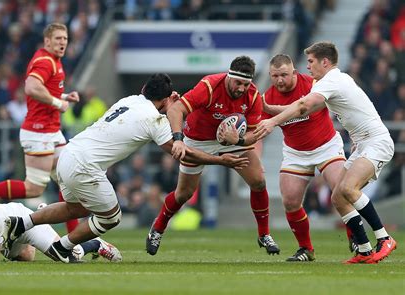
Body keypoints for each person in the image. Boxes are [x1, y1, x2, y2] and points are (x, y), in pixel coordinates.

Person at [2, 73, 249, 263]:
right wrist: (221, 160)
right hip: (84, 165)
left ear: (144, 90)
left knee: (74, 208)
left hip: (69, 153)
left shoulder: (130, 100)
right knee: (111, 217)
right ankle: (62, 247)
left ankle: (21, 223)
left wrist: (168, 106)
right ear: (164, 100)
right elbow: (180, 152)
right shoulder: (155, 119)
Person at [255, 41, 397, 264]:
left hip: (376, 142)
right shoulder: (333, 80)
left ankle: (384, 237)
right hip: (361, 144)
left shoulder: (329, 81)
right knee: (338, 197)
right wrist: (268, 112)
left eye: (311, 61)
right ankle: (364, 249)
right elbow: (300, 107)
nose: (308, 67)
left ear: (325, 62)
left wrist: (272, 120)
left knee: (348, 189)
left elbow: (302, 106)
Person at [146, 56, 280, 256]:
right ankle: (157, 228)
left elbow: (253, 135)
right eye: (238, 83)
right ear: (229, 76)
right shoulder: (209, 86)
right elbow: (176, 109)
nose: (242, 88)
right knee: (184, 194)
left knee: (259, 181)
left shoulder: (252, 96)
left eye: (246, 84)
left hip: (232, 142)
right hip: (197, 139)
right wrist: (178, 139)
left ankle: (264, 235)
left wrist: (239, 141)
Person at [0, 23, 80, 233]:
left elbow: (43, 89)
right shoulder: (45, 61)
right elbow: (32, 87)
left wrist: (63, 96)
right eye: (58, 38)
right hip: (39, 131)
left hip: (51, 130)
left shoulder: (53, 60)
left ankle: (74, 239)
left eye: (65, 38)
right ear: (47, 41)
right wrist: (57, 103)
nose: (62, 42)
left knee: (67, 180)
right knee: (34, 188)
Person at [263, 54, 356, 262]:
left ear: (294, 72)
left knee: (342, 192)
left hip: (327, 146)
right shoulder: (267, 97)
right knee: (290, 201)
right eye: (275, 76)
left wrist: (272, 112)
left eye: (284, 75)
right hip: (295, 153)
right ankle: (306, 249)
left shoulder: (313, 83)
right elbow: (258, 129)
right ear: (270, 75)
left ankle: (355, 236)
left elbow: (310, 106)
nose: (280, 80)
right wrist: (239, 138)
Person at [0, 195, 121, 263]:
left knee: (68, 255)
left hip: (22, 223)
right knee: (25, 258)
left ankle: (95, 244)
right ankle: (33, 237)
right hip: (4, 237)